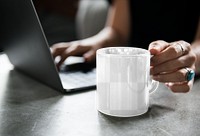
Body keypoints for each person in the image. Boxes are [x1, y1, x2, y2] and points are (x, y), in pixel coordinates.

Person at [51, 0, 200, 93]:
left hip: (179, 84)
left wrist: (188, 57)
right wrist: (95, 43)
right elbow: (117, 31)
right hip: (131, 80)